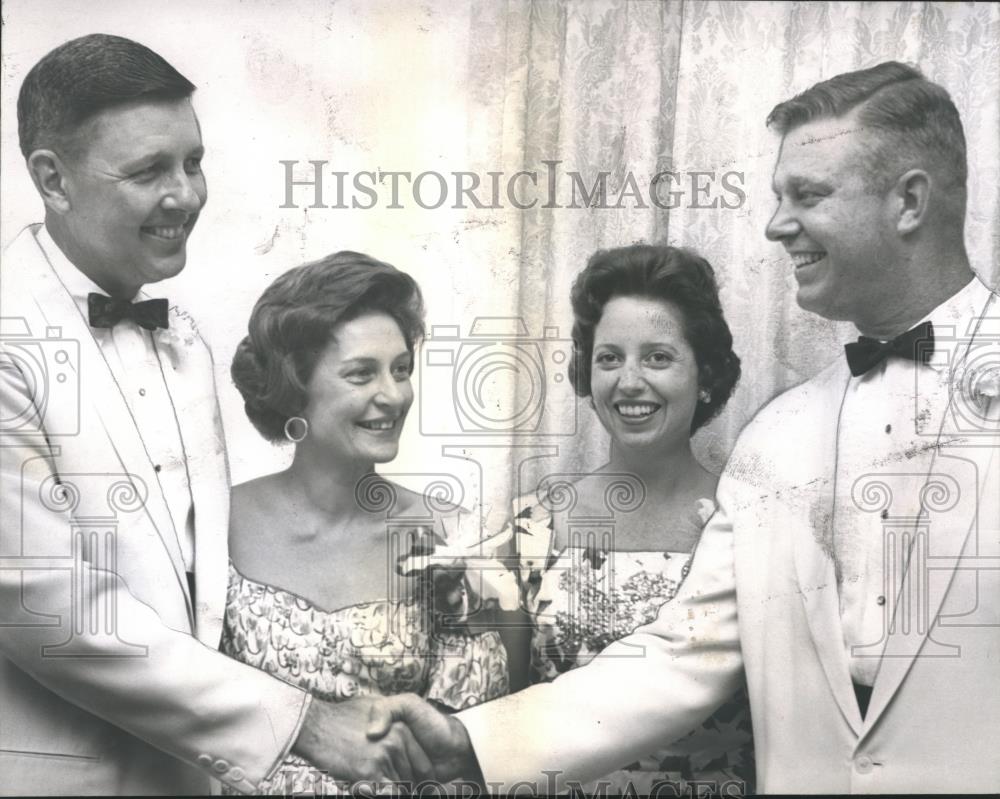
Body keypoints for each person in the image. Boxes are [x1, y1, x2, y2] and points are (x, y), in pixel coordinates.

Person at [368, 61, 1000, 793]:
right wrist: (470, 740)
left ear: (910, 201)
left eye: (808, 194)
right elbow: (682, 652)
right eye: (775, 196)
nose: (775, 223)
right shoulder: (779, 435)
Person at [0, 34, 433, 795]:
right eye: (148, 172)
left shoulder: (188, 344)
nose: (186, 196)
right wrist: (305, 722)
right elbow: (48, 609)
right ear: (52, 179)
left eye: (193, 162)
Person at [224, 251, 511, 794]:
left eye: (401, 370)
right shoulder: (216, 526)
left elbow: (466, 758)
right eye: (362, 374)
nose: (394, 394)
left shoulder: (450, 538)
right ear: (295, 386)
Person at [500, 244, 753, 794]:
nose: (629, 381)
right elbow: (505, 720)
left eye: (658, 357)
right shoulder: (535, 529)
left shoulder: (750, 522)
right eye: (609, 358)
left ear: (705, 373)